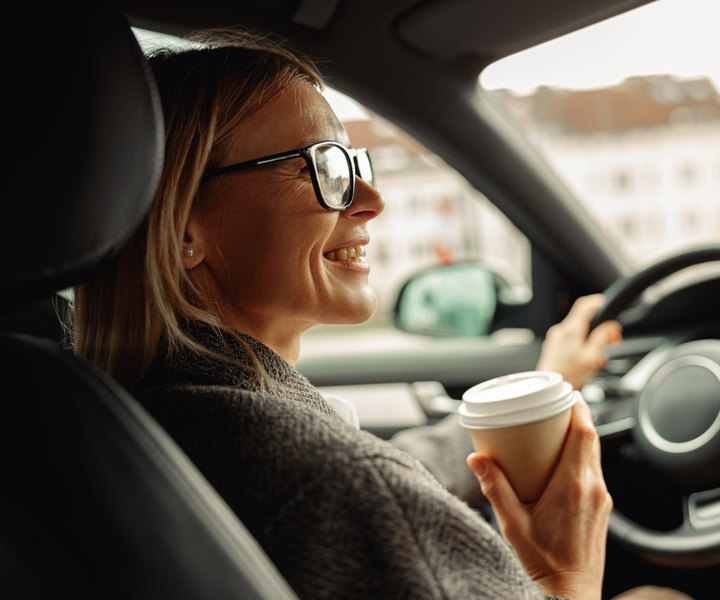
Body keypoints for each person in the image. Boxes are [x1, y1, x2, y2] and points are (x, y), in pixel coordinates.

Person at [72, 28, 688, 600]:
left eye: (354, 165)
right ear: (185, 228)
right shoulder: (332, 487)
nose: (372, 201)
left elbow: (386, 467)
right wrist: (562, 576)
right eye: (324, 168)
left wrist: (552, 382)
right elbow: (363, 482)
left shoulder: (126, 410)